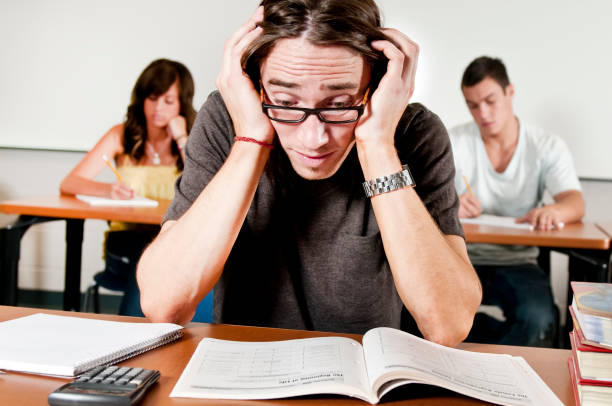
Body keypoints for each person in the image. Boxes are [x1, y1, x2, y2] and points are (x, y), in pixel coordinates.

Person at [137, 0, 482, 346]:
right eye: (286, 103)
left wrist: (377, 144)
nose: (313, 139)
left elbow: (449, 325)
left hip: (365, 387)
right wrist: (251, 139)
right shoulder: (227, 120)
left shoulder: (413, 133)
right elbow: (163, 306)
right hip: (248, 378)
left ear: (375, 89)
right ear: (256, 87)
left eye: (340, 104)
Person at [449, 56, 585, 346]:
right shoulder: (453, 141)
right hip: (459, 257)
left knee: (537, 320)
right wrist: (449, 204)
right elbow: (418, 198)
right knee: (418, 317)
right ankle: (486, 349)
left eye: (490, 100)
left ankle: (485, 353)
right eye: (472, 105)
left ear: (510, 92)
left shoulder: (545, 145)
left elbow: (575, 202)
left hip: (517, 261)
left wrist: (554, 210)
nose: (482, 113)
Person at [60, 58, 197, 316]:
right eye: (152, 98)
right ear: (141, 99)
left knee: (185, 262)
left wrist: (182, 137)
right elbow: (69, 183)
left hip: (176, 241)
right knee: (151, 262)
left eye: (168, 101)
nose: (158, 108)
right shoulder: (120, 134)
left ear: (182, 103)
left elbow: (208, 185)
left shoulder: (193, 138)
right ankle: (136, 341)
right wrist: (108, 190)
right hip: (126, 243)